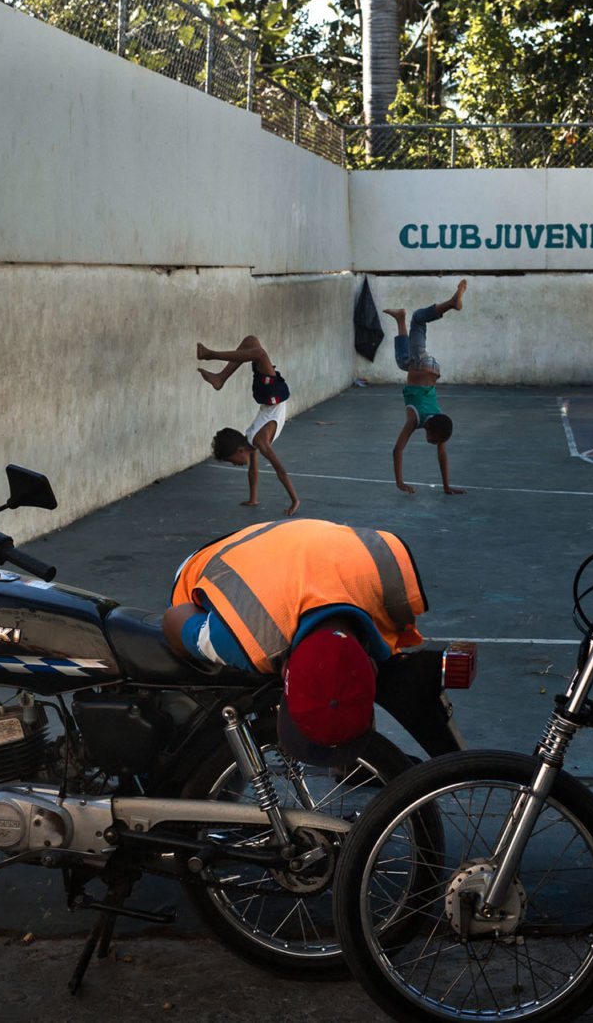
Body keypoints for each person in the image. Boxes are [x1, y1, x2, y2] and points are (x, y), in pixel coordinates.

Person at [162, 518, 462, 761]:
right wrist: (195, 640)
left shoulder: (391, 575)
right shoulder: (245, 640)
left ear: (285, 670)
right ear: (371, 668)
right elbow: (175, 617)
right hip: (214, 557)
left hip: (293, 536)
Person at [198, 336, 299, 516]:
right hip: (268, 395)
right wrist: (253, 498)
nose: (235, 464)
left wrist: (294, 500)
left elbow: (279, 469)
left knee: (256, 350)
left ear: (240, 450)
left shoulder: (259, 441)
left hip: (271, 395)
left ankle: (211, 356)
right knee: (252, 344)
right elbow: (254, 470)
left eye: (232, 460)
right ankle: (221, 378)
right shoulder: (252, 440)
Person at [386, 280, 469, 495]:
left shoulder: (439, 420)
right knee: (419, 320)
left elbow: (442, 455)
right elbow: (397, 450)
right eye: (433, 440)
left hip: (430, 370)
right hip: (421, 366)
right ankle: (451, 303)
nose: (433, 444)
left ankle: (399, 318)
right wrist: (399, 482)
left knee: (402, 361)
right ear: (430, 430)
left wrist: (446, 486)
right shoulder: (415, 420)